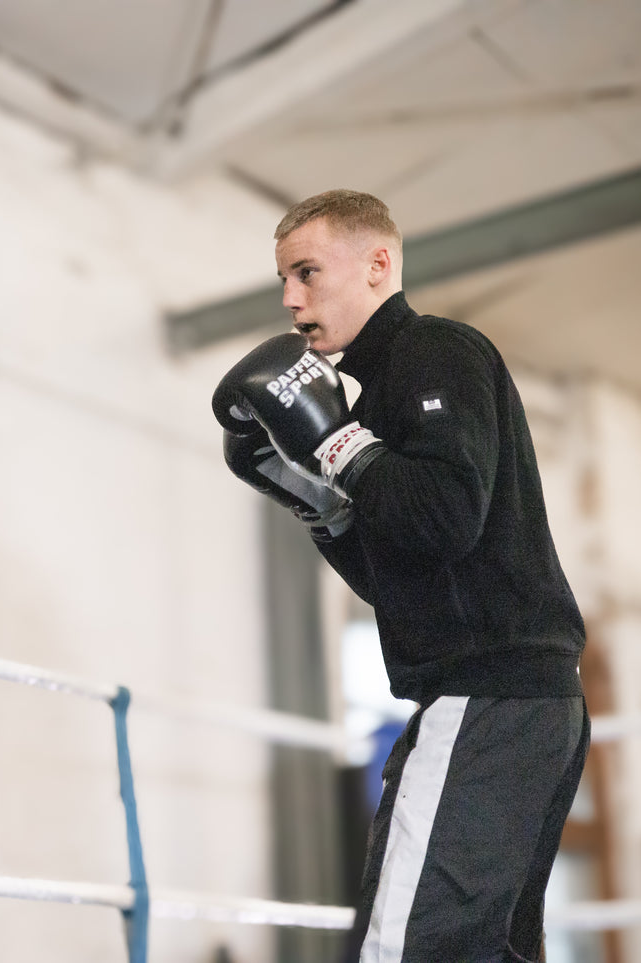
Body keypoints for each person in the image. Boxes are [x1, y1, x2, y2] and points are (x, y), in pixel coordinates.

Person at [213, 189, 588, 962]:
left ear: (379, 263)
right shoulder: (374, 398)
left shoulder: (435, 349)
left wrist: (336, 446)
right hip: (510, 699)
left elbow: (442, 514)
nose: (290, 299)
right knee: (481, 950)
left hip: (488, 695)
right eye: (283, 280)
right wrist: (321, 505)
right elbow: (404, 573)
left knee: (406, 945)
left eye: (307, 272)